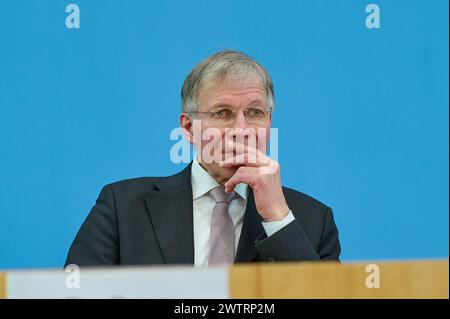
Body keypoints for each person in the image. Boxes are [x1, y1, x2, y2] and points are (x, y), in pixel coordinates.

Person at [65, 50, 341, 267]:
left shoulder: (313, 221)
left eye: (255, 113)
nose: (241, 130)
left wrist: (278, 221)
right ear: (188, 128)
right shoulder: (122, 207)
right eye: (222, 113)